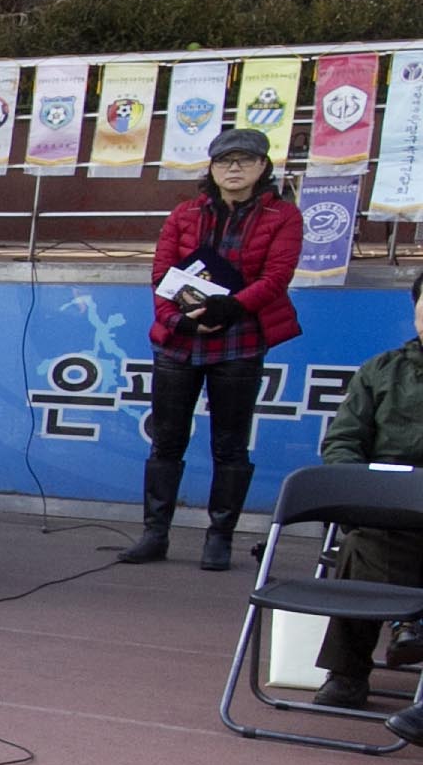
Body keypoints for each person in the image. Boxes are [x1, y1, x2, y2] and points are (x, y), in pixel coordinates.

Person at [127, 124, 303, 568]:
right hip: (179, 342)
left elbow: (277, 277)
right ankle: (155, 533)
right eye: (225, 160)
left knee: (230, 444)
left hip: (240, 340)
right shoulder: (184, 213)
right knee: (166, 440)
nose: (235, 167)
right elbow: (161, 277)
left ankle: (219, 536)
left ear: (263, 166)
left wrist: (230, 309)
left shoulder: (283, 216)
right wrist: (177, 319)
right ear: (212, 167)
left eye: (245, 159)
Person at [311, 269, 423, 740]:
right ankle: (349, 674)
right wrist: (359, 487)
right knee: (363, 542)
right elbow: (343, 441)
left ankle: (408, 627)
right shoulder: (382, 370)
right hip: (388, 503)